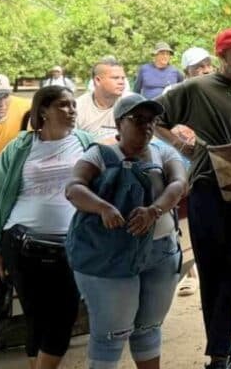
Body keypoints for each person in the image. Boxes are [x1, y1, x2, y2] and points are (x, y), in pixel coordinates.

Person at [158, 28, 231, 369]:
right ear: (222, 56)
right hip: (207, 189)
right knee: (211, 271)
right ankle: (222, 355)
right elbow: (154, 118)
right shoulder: (196, 88)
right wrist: (181, 145)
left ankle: (221, 351)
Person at [66, 93, 186, 369]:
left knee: (149, 327)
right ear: (119, 123)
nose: (147, 126)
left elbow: (179, 183)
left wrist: (154, 211)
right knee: (111, 334)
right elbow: (74, 187)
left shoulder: (163, 151)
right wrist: (103, 208)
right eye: (138, 119)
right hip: (110, 255)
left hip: (161, 252)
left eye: (152, 120)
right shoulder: (99, 153)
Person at [0, 86, 92, 369]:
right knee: (36, 316)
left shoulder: (85, 142)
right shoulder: (20, 147)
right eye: (62, 105)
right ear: (42, 110)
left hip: (70, 244)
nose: (71, 110)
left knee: (66, 314)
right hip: (21, 244)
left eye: (73, 105)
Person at [75, 57, 128, 140]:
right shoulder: (77, 107)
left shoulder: (131, 105)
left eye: (123, 78)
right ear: (97, 80)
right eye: (115, 78)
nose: (121, 82)